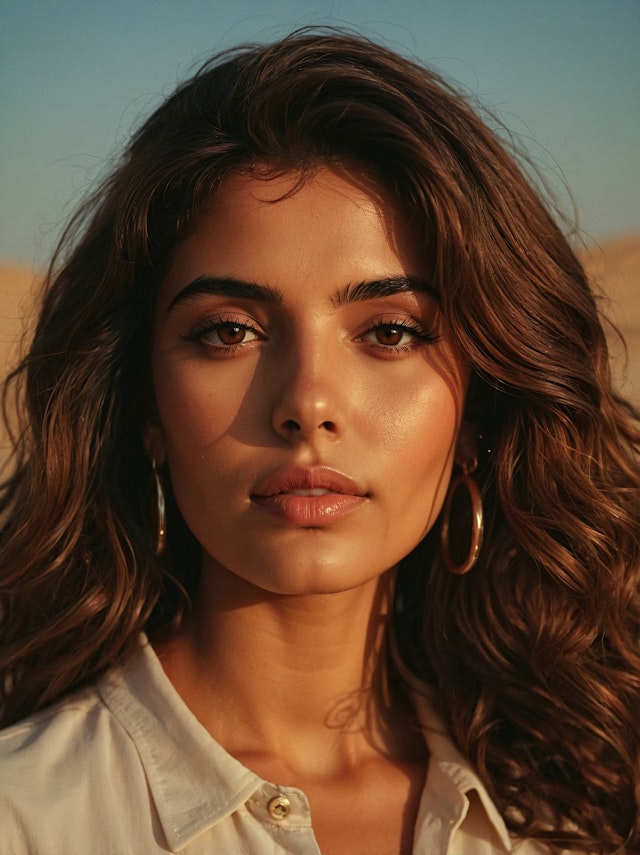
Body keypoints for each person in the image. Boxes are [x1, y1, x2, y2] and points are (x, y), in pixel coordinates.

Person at [0, 30, 638, 855]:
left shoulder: (578, 817)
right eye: (229, 331)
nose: (307, 402)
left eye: (391, 332)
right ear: (144, 407)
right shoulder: (25, 820)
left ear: (478, 411)